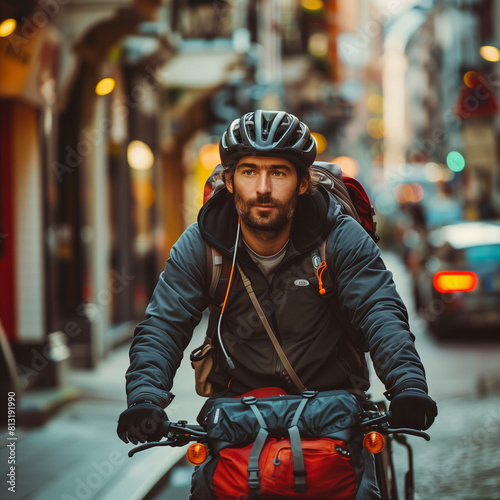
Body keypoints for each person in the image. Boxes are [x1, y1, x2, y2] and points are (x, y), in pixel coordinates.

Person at [117, 110, 437, 499]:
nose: (263, 188)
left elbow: (379, 310)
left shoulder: (338, 237)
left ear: (303, 183)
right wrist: (145, 398)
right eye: (249, 171)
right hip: (236, 418)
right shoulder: (203, 243)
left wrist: (407, 386)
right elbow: (164, 325)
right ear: (230, 180)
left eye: (279, 173)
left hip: (332, 415)